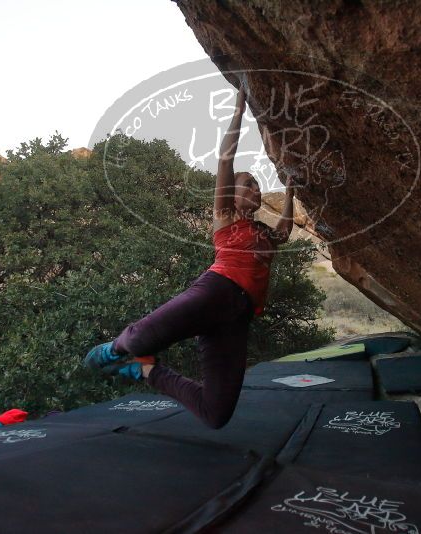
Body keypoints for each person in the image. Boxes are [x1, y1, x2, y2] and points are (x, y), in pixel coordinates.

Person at [84, 85, 296, 428]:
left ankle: (146, 370)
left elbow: (285, 231)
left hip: (237, 318)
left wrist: (291, 191)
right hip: (215, 290)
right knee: (138, 338)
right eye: (247, 184)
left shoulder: (266, 234)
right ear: (233, 194)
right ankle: (114, 349)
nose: (254, 189)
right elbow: (226, 159)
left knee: (216, 414)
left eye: (257, 185)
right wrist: (238, 113)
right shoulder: (225, 216)